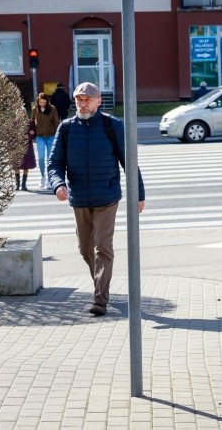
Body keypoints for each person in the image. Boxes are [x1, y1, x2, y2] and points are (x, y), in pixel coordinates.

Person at [48, 82, 146, 317]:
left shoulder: (112, 126)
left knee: (103, 248)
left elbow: (129, 162)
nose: (83, 104)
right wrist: (58, 184)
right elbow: (54, 163)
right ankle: (102, 283)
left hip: (107, 197)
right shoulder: (67, 128)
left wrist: (139, 194)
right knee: (84, 249)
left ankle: (100, 298)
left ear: (99, 101)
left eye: (87, 100)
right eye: (79, 100)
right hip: (80, 198)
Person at [31, 93, 60, 189]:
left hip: (51, 136)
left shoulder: (52, 109)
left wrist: (58, 136)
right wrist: (31, 131)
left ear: (47, 101)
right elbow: (32, 122)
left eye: (44, 102)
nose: (42, 104)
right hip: (40, 137)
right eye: (40, 102)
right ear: (38, 102)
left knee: (49, 159)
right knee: (41, 158)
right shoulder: (35, 110)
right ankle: (43, 177)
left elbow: (56, 123)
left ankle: (49, 179)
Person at [14, 108, 36, 191]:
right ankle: (17, 184)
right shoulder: (14, 123)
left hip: (27, 145)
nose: (21, 114)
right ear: (16, 114)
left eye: (22, 112)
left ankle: (24, 185)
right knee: (16, 165)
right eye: (19, 112)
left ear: (25, 113)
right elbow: (11, 134)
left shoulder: (30, 122)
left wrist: (29, 136)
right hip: (16, 145)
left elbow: (33, 133)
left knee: (26, 165)